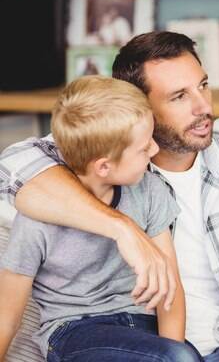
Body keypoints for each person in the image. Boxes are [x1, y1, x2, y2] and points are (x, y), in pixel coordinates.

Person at [0, 32, 219, 362]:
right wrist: (122, 228)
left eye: (204, 85)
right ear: (138, 105)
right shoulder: (103, 153)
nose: (204, 106)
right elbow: (11, 167)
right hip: (120, 342)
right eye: (179, 96)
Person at [0, 76, 200, 361]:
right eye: (144, 148)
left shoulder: (150, 190)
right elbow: (6, 315)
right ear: (104, 166)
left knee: (182, 355)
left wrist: (174, 349)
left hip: (144, 329)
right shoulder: (37, 218)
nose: (155, 151)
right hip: (74, 331)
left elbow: (171, 290)